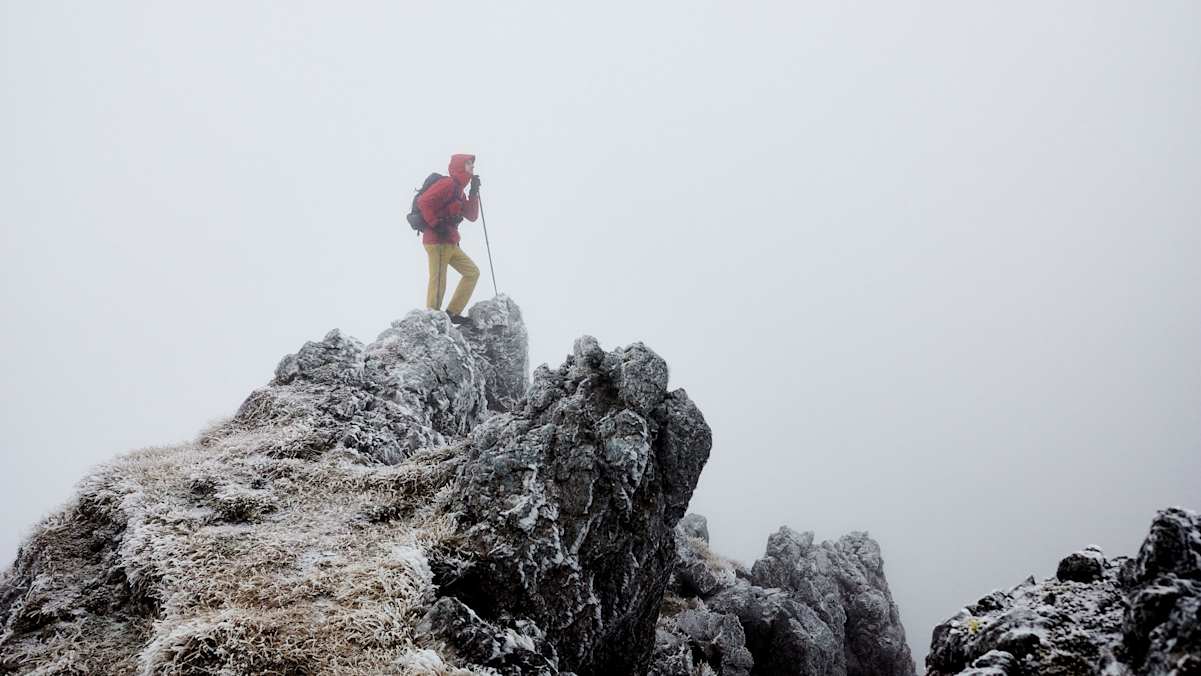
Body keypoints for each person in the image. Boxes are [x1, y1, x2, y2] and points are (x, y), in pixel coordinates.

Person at [417, 154, 481, 324]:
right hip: (437, 241)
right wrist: (436, 224)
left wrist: (473, 192)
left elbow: (472, 216)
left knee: (472, 273)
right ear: (460, 166)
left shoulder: (459, 190)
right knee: (439, 282)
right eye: (469, 164)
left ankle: (452, 312)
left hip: (450, 242)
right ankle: (432, 319)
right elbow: (423, 202)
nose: (472, 168)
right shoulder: (448, 184)